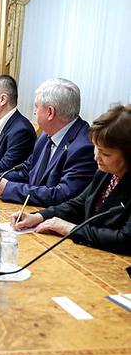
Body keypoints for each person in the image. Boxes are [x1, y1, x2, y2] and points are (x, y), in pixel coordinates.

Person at [13, 104, 131, 255]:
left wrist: (70, 228)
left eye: (105, 154)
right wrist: (38, 216)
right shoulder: (107, 171)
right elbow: (79, 203)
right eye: (96, 147)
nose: (96, 157)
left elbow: (125, 240)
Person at [0, 78, 97, 207]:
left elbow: (63, 195)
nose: (34, 112)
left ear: (50, 112)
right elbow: (26, 170)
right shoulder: (45, 135)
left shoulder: (84, 147)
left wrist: (8, 188)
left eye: (36, 106)